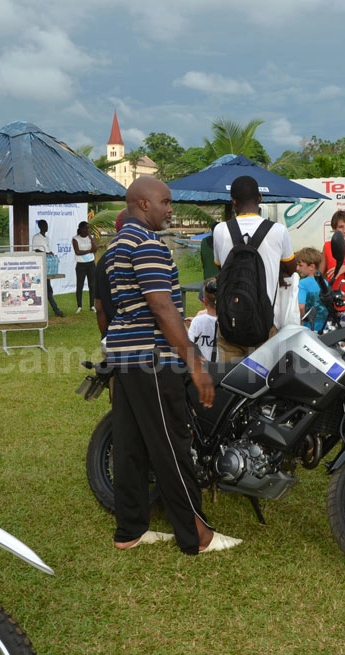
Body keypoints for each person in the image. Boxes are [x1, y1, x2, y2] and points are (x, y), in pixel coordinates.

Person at [102, 176, 239, 555]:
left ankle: (129, 529)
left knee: (131, 445)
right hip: (151, 358)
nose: (170, 208)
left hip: (126, 356)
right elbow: (162, 307)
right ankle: (195, 534)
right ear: (143, 204)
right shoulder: (146, 243)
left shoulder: (117, 244)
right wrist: (194, 362)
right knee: (170, 444)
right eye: (165, 202)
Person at [212, 175, 297, 362]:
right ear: (259, 198)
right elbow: (291, 269)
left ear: (233, 202)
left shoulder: (219, 230)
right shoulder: (278, 230)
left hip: (229, 324)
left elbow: (221, 268)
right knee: (263, 385)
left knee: (228, 384)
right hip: (265, 324)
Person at [31, 219, 65, 317]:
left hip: (47, 266)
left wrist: (50, 254)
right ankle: (55, 310)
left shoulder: (47, 238)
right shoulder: (36, 237)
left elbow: (47, 250)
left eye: (46, 225)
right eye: (44, 225)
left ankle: (53, 310)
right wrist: (46, 253)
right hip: (39, 266)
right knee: (46, 290)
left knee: (48, 290)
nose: (46, 227)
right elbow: (36, 250)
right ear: (40, 227)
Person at [323, 210, 345, 307]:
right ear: (334, 229)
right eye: (341, 227)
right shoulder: (327, 246)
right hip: (331, 302)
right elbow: (321, 274)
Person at [295, 246, 327, 332]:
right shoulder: (325, 282)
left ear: (312, 267)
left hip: (309, 327)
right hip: (324, 326)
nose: (297, 268)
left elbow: (301, 306)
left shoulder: (302, 283)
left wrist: (302, 320)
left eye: (300, 265)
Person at [188, 280, 218, 361]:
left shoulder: (198, 321)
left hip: (203, 365)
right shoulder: (230, 321)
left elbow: (190, 344)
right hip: (226, 367)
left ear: (204, 301)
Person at [72, 221, 97, 313]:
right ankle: (79, 306)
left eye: (88, 228)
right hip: (81, 265)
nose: (87, 230)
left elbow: (95, 249)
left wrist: (91, 238)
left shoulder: (91, 238)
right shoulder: (75, 239)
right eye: (85, 228)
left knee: (92, 285)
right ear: (81, 229)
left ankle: (92, 305)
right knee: (80, 286)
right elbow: (77, 252)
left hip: (91, 264)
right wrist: (89, 250)